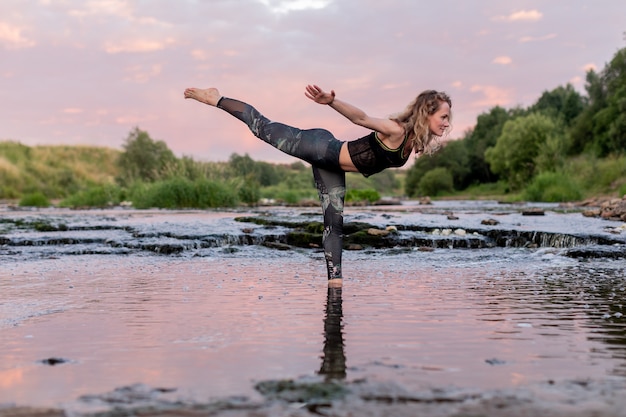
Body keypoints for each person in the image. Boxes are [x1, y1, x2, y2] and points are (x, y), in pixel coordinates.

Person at [183, 85, 452, 286]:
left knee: (334, 223)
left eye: (448, 118)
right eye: (443, 117)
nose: (447, 123)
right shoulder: (396, 130)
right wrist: (332, 102)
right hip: (320, 147)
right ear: (427, 113)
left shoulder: (413, 141)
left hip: (332, 166)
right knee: (261, 128)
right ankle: (216, 98)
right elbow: (360, 118)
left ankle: (335, 284)